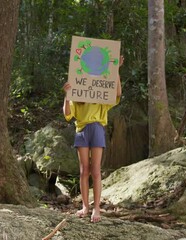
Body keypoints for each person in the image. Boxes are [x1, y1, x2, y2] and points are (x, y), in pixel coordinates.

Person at [62, 56, 123, 223]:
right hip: (81, 130)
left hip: (96, 128)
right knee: (84, 170)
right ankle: (85, 206)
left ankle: (96, 208)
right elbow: (67, 114)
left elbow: (117, 93)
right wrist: (67, 95)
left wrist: (115, 70)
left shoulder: (100, 95)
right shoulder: (78, 95)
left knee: (96, 171)